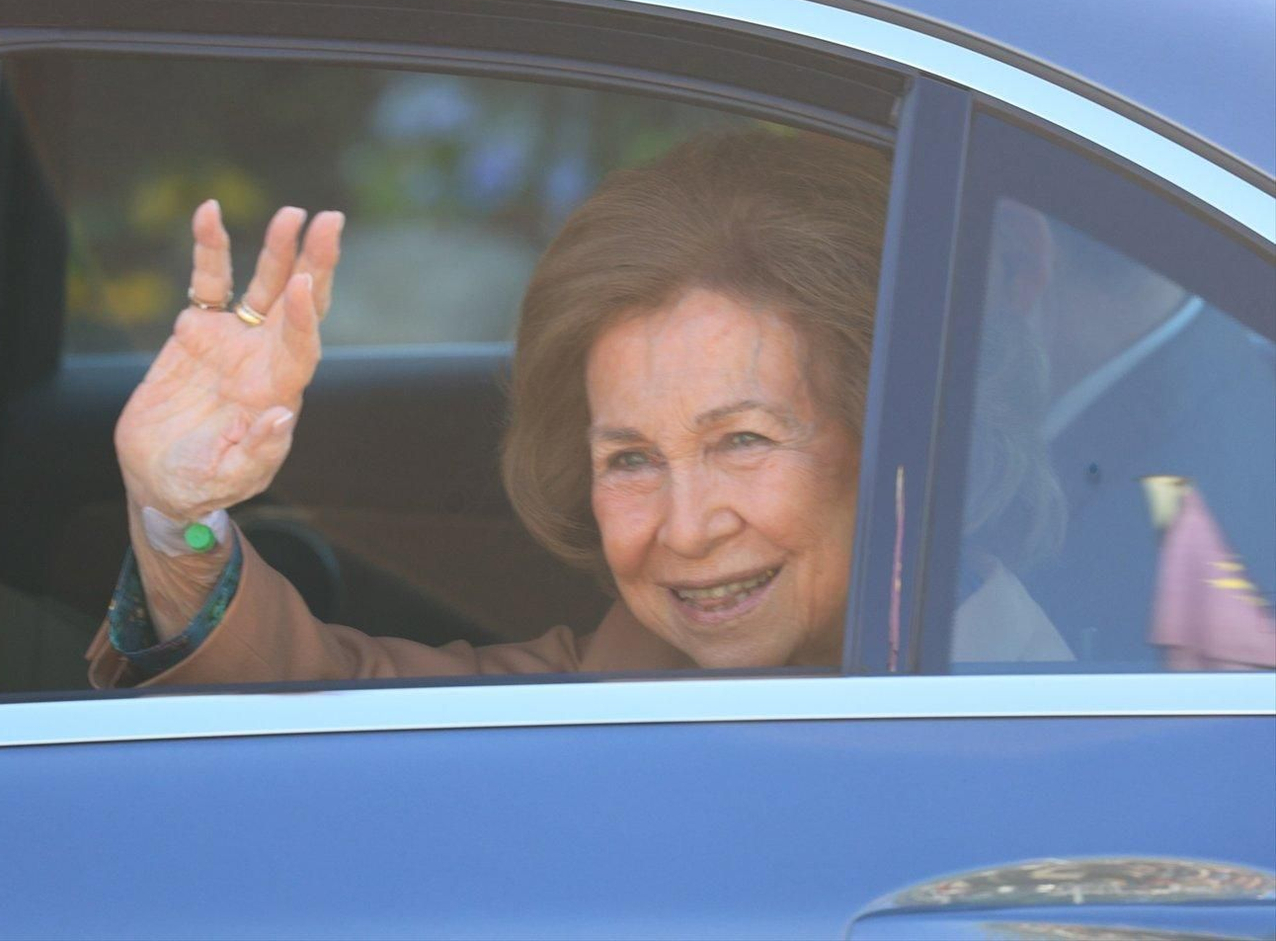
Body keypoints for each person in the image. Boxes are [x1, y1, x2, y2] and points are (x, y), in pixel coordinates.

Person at [87, 131, 1059, 689]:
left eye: (743, 440)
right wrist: (181, 518)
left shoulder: (1001, 718)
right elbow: (333, 716)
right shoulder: (633, 667)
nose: (686, 526)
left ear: (899, 440)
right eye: (630, 458)